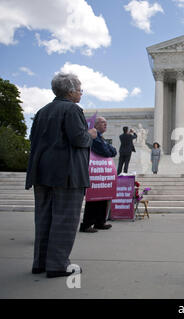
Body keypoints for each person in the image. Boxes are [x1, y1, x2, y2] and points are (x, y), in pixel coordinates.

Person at [25, 72, 97, 278]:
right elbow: (79, 139)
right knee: (65, 218)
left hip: (41, 172)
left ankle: (40, 262)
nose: (81, 93)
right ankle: (57, 264)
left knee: (43, 218)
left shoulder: (42, 111)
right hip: (67, 173)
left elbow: (34, 139)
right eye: (80, 89)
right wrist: (90, 134)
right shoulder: (72, 110)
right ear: (71, 91)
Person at [80, 116, 117, 233]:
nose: (105, 125)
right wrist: (108, 148)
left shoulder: (101, 138)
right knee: (93, 199)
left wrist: (108, 148)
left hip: (103, 172)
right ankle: (86, 225)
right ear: (95, 125)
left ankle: (99, 222)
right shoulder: (93, 137)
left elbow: (114, 151)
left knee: (103, 197)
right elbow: (105, 151)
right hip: (95, 173)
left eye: (106, 123)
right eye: (102, 123)